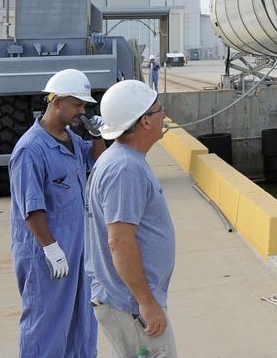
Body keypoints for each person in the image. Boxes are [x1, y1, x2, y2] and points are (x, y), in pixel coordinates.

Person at [9, 69, 106, 358]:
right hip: (47, 253)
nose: (82, 110)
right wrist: (51, 248)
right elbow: (31, 207)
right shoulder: (30, 150)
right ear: (57, 101)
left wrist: (96, 135)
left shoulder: (70, 139)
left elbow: (95, 161)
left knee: (81, 320)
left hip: (76, 247)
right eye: (78, 104)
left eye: (84, 105)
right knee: (46, 323)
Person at [85, 80, 178, 357]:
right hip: (131, 307)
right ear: (146, 122)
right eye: (159, 109)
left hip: (128, 302)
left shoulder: (123, 159)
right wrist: (146, 303)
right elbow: (120, 242)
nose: (164, 115)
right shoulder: (125, 169)